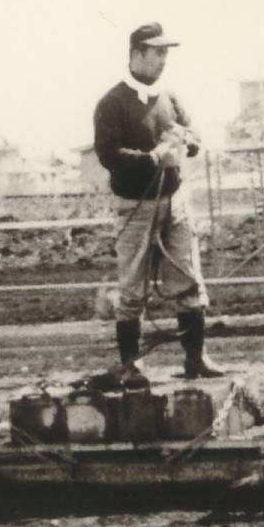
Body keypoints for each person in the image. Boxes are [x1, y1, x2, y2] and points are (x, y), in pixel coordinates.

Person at [93, 22, 223, 379]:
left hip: (175, 201)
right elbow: (108, 154)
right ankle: (131, 366)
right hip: (135, 206)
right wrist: (153, 158)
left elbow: (194, 134)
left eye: (166, 53)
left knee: (188, 278)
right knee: (132, 289)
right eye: (158, 53)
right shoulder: (112, 103)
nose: (164, 60)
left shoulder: (170, 97)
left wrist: (187, 140)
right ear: (137, 54)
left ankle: (195, 359)